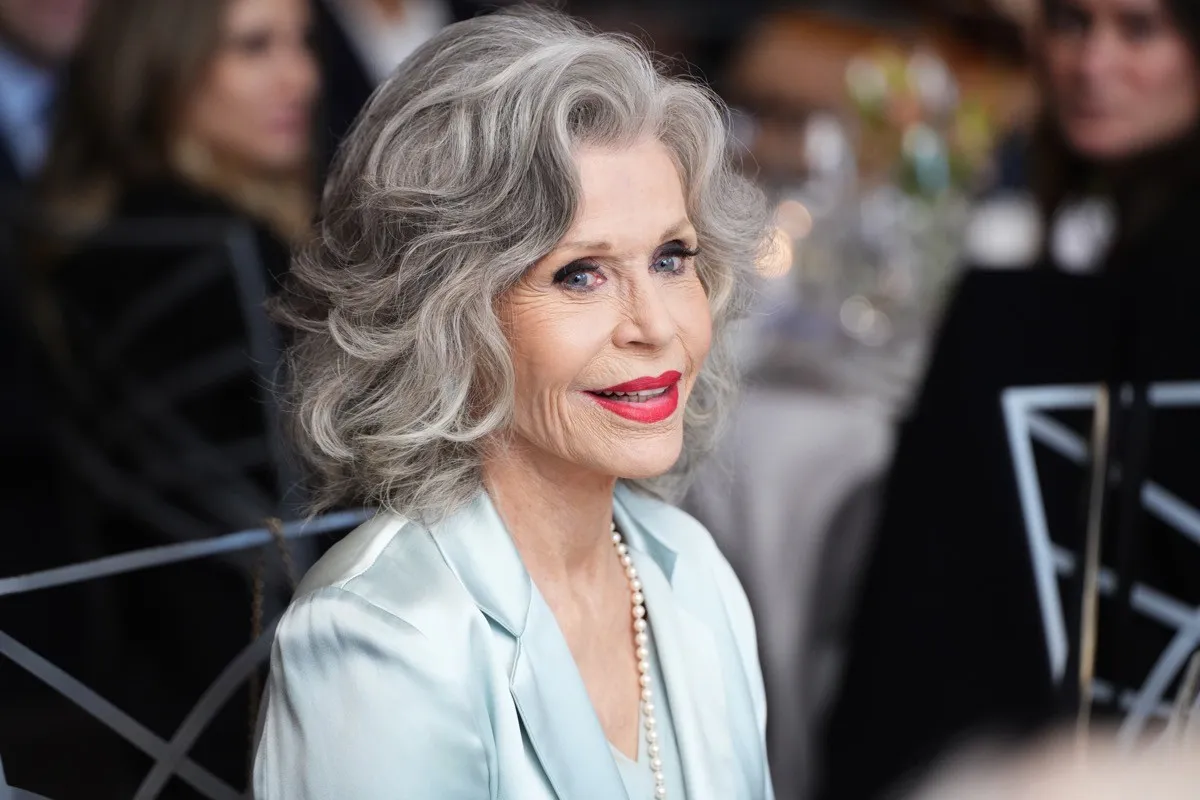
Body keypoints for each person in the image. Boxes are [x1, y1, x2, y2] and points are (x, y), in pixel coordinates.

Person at [253, 8, 775, 799]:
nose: (658, 326)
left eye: (672, 258)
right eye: (581, 273)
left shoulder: (690, 572)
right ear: (446, 317)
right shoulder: (383, 642)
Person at [818, 1, 1200, 798]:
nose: (1091, 64)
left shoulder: (1126, 299)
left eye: (1138, 29)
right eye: (1070, 23)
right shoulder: (1088, 240)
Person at [6, 0, 318, 794]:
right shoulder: (224, 255)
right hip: (278, 672)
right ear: (161, 69)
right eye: (254, 48)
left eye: (301, 42)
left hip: (146, 684)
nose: (302, 77)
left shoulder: (86, 230)